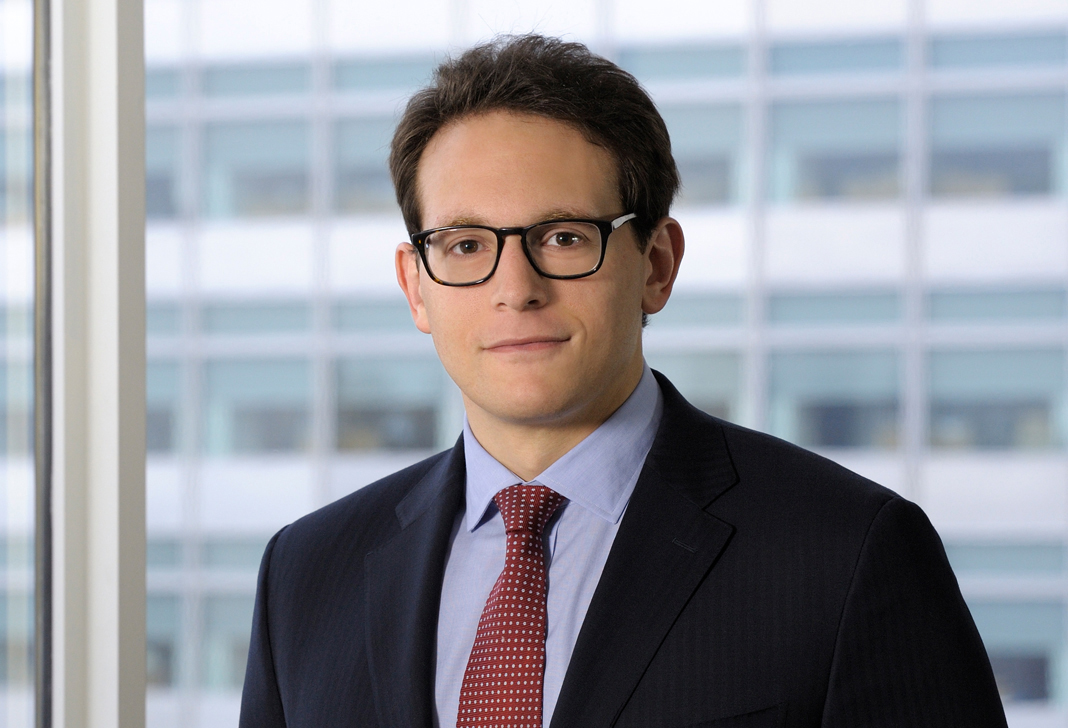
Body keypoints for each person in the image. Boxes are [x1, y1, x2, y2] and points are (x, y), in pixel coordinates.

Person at [239, 34, 1007, 728]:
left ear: (657, 265)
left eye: (563, 237)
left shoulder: (846, 554)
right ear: (416, 286)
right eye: (466, 245)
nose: (516, 289)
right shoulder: (305, 575)